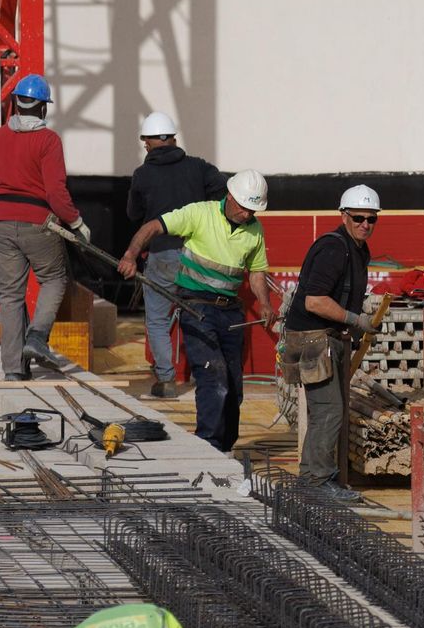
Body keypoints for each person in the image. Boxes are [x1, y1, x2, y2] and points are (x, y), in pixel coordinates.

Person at [117, 171, 275, 451]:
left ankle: (225, 446)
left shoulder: (255, 230)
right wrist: (131, 254)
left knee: (234, 387)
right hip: (196, 306)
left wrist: (264, 303)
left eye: (253, 210)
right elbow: (153, 226)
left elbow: (257, 271)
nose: (247, 215)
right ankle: (208, 445)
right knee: (213, 378)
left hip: (230, 313)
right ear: (230, 196)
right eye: (243, 208)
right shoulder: (199, 214)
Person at [0, 74, 89, 381]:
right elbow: (56, 193)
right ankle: (37, 338)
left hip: (1, 225)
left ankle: (13, 370)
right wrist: (77, 223)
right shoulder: (48, 141)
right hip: (39, 223)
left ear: (15, 103)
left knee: (9, 295)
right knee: (55, 278)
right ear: (43, 108)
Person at [280, 185, 381, 501]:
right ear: (344, 215)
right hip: (312, 340)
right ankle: (318, 483)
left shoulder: (357, 250)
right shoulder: (334, 249)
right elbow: (314, 301)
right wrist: (355, 319)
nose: (365, 224)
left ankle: (312, 479)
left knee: (327, 412)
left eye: (371, 219)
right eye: (359, 218)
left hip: (327, 337)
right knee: (330, 412)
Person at [124, 111, 226, 397]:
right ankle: (204, 373)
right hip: (197, 256)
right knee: (199, 312)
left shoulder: (143, 175)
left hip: (162, 254)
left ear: (148, 143)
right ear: (173, 139)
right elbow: (223, 195)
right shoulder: (198, 167)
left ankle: (167, 379)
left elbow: (133, 214)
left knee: (157, 318)